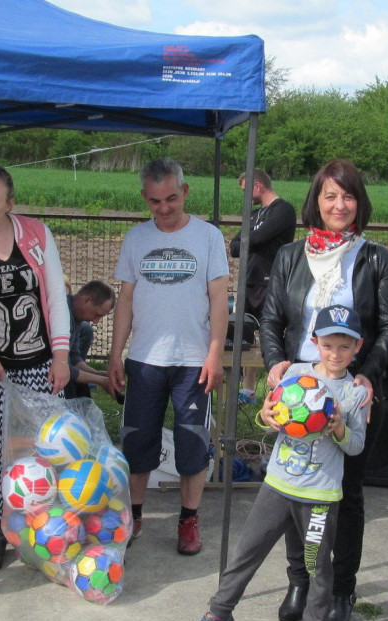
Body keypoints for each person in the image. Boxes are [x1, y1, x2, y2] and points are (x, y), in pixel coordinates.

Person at [260, 158, 388, 621]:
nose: (339, 205)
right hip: (298, 391)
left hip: (350, 391)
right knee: (293, 489)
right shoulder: (290, 255)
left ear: (359, 202)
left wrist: (368, 374)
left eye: (348, 196)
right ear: (316, 202)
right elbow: (272, 319)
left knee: (346, 495)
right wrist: (276, 365)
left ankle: (341, 588)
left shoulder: (377, 259)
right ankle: (299, 582)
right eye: (330, 196)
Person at [181, 304, 369, 621]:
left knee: (316, 564)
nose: (336, 354)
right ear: (315, 342)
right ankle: (219, 613)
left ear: (357, 347)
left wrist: (340, 429)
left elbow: (357, 446)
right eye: (329, 345)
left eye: (345, 346)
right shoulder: (295, 374)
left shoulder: (355, 393)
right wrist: (264, 416)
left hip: (319, 495)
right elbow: (273, 417)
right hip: (278, 485)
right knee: (246, 551)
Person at [107, 157, 229, 554]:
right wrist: (116, 354)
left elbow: (218, 299)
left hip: (193, 362)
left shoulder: (208, 237)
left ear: (185, 192)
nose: (164, 208)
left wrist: (214, 354)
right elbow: (126, 299)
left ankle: (188, 520)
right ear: (145, 197)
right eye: (155, 201)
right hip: (145, 360)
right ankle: (133, 516)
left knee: (192, 444)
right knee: (137, 442)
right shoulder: (136, 238)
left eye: (171, 199)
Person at [0, 165, 71, 572]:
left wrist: (61, 356)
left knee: (47, 447)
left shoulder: (36, 235)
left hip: (38, 362)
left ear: (10, 203)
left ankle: (47, 524)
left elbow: (55, 297)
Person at [228, 169, 297, 404]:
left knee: (273, 335)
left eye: (245, 190)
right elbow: (235, 247)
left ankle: (283, 389)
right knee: (246, 336)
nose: (245, 196)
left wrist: (249, 240)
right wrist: (248, 240)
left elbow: (255, 239)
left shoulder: (283, 210)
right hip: (248, 283)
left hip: (272, 284)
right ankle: (248, 391)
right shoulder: (254, 215)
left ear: (257, 186)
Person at [64, 279, 117, 400]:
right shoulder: (63, 315)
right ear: (87, 300)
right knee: (70, 389)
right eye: (97, 315)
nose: (96, 321)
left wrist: (97, 374)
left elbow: (74, 358)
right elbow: (62, 367)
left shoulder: (76, 317)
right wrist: (101, 381)